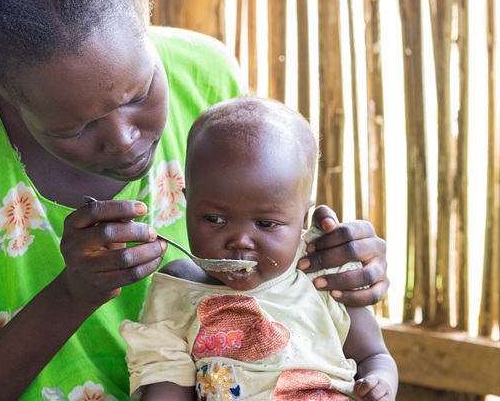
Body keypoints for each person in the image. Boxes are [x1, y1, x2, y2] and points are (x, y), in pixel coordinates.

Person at [0, 0, 389, 401]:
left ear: (144, 20)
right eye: (74, 127)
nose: (123, 138)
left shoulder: (206, 78)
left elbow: (281, 263)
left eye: (140, 94)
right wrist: (71, 295)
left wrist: (340, 262)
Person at [120, 97, 397, 401]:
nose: (240, 240)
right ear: (188, 204)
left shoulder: (321, 274)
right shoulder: (178, 292)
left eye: (265, 224)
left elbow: (374, 355)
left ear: (302, 218)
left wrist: (379, 383)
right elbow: (165, 380)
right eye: (214, 219)